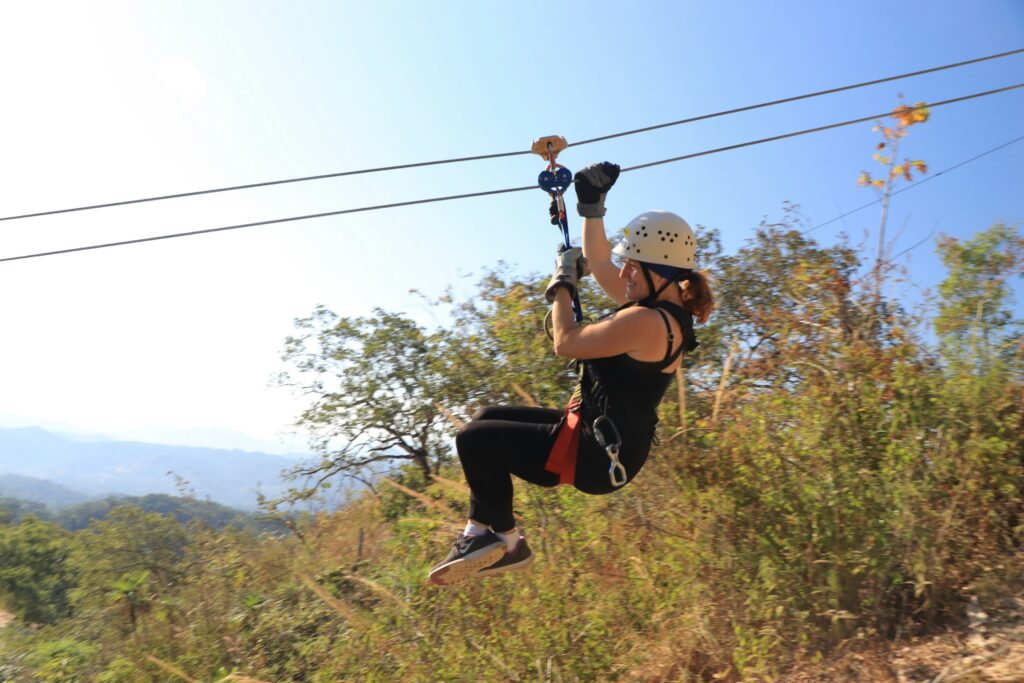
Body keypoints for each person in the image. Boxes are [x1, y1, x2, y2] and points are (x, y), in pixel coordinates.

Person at [428, 162, 715, 587]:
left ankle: (500, 539)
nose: (622, 275)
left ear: (659, 272)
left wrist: (562, 283)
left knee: (473, 440)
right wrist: (592, 208)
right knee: (485, 417)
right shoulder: (662, 309)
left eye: (631, 267)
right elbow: (599, 262)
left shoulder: (648, 323)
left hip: (597, 457)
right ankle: (488, 535)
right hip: (598, 437)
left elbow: (566, 341)